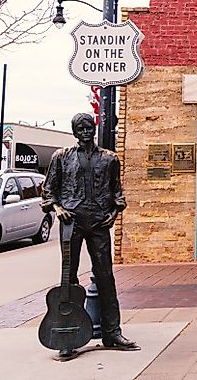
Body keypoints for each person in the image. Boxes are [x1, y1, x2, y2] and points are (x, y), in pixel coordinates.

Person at [42, 113, 138, 352]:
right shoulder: (61, 157)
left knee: (105, 277)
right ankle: (68, 337)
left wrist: (113, 214)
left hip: (98, 223)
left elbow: (118, 193)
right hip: (71, 222)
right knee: (69, 278)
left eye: (88, 127)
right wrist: (58, 208)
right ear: (74, 132)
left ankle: (112, 332)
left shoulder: (109, 159)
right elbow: (48, 191)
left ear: (93, 129)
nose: (85, 131)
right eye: (80, 128)